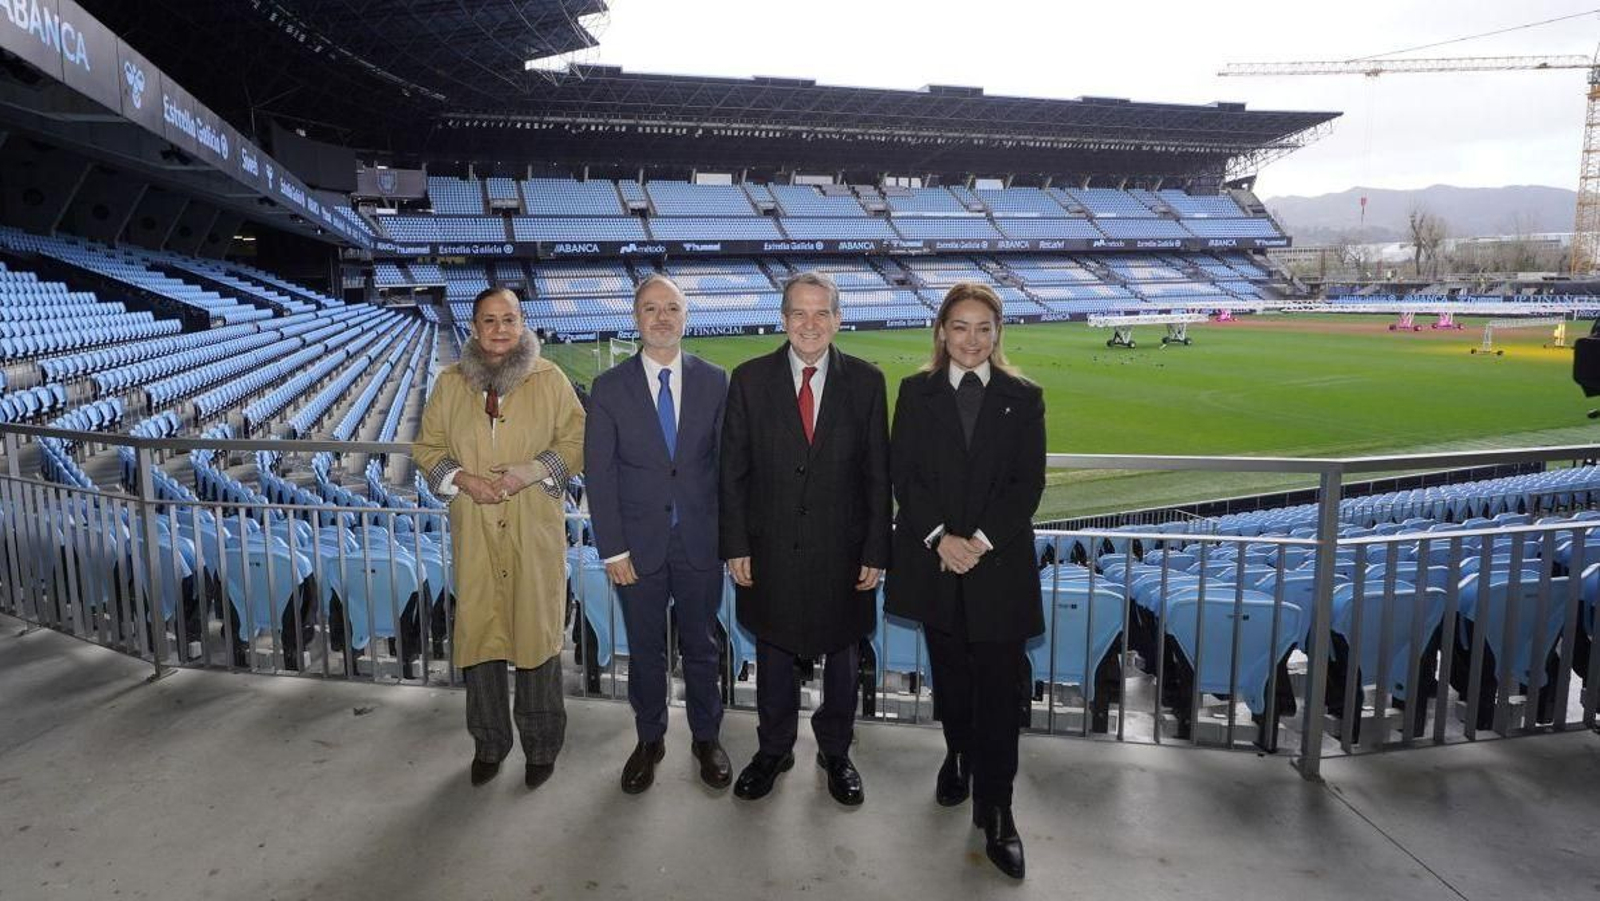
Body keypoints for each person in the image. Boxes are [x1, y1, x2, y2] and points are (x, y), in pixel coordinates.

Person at [883, 282, 1045, 879]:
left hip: (996, 568)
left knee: (1000, 694)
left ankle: (997, 807)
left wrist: (976, 542)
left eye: (982, 328)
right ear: (941, 332)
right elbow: (905, 477)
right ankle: (957, 754)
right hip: (936, 564)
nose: (971, 339)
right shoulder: (915, 392)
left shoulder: (1024, 397)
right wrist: (940, 540)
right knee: (951, 680)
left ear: (997, 333)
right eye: (960, 327)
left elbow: (1026, 486)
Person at [719, 270, 891, 806]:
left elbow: (877, 476)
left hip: (842, 551)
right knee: (772, 650)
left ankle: (835, 751)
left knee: (842, 654)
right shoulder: (748, 379)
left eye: (822, 313)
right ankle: (774, 749)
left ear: (838, 320)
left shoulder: (866, 382)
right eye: (799, 313)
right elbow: (733, 473)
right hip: (769, 549)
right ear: (784, 318)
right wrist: (736, 544)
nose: (810, 324)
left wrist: (875, 550)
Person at [413, 286, 586, 790]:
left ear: (522, 322)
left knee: (537, 639)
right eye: (490, 320)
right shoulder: (450, 384)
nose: (500, 329)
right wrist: (464, 479)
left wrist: (529, 471)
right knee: (481, 638)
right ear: (474, 327)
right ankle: (489, 742)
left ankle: (542, 745)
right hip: (475, 529)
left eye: (509, 319)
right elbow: (427, 448)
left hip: (533, 528)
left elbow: (576, 440)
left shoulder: (549, 379)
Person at [584, 274, 732, 793]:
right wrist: (612, 549)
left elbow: (729, 469)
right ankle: (650, 739)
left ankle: (706, 736)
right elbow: (598, 475)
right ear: (636, 317)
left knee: (702, 645)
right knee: (645, 650)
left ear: (685, 316)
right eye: (651, 308)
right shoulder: (609, 388)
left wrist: (731, 542)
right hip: (637, 548)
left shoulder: (716, 381)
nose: (662, 317)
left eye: (672, 307)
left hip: (700, 542)